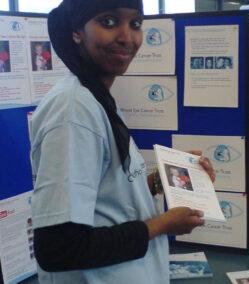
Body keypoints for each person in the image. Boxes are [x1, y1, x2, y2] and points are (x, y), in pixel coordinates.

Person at [30, 1, 216, 283]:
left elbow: (107, 196)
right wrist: (162, 225)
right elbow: (59, 248)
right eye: (108, 21)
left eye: (136, 24)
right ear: (77, 31)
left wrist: (165, 179)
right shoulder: (73, 110)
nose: (127, 37)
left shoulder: (93, 97)